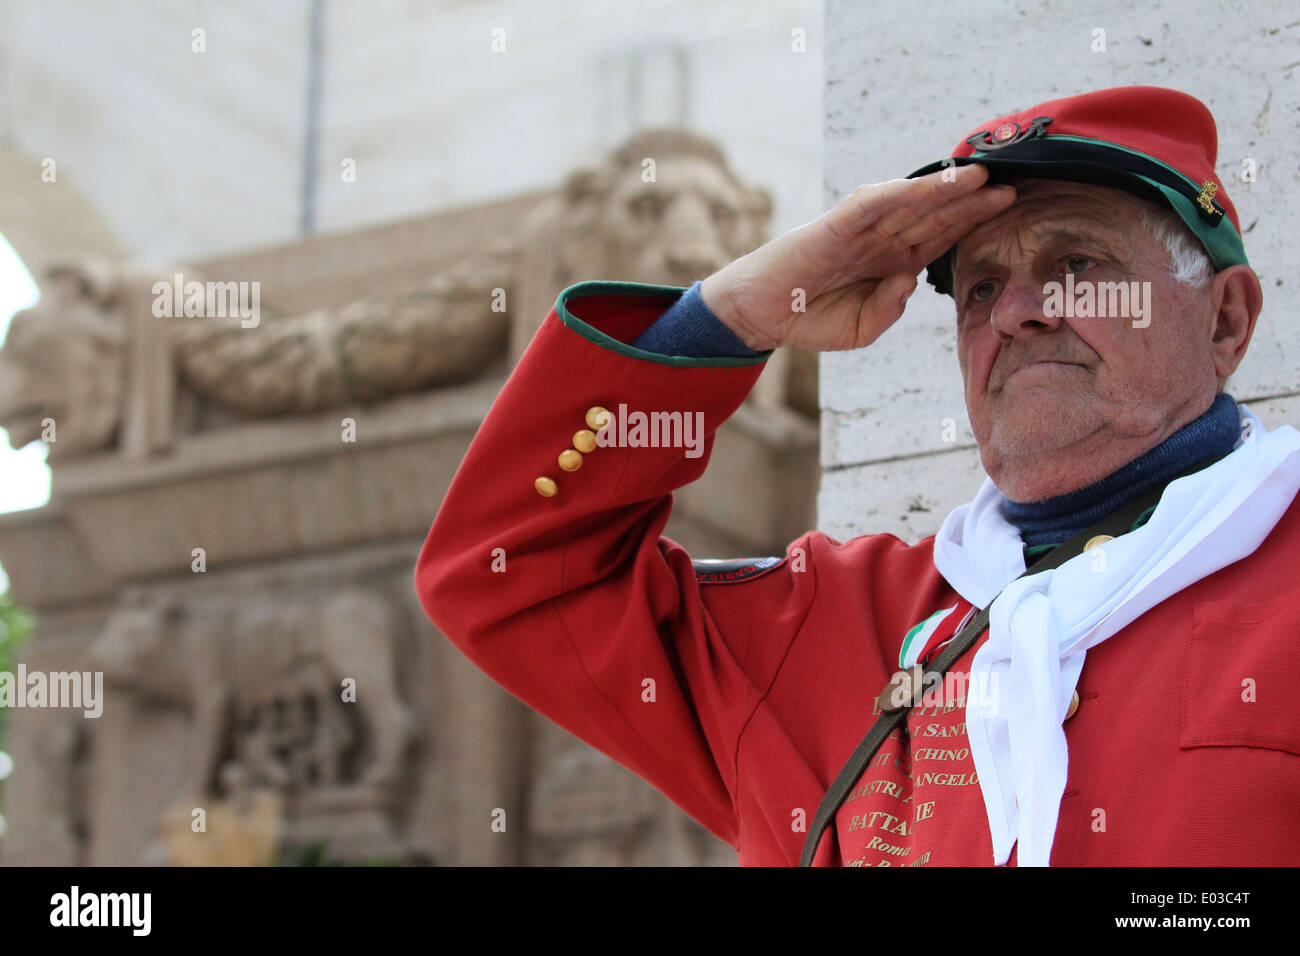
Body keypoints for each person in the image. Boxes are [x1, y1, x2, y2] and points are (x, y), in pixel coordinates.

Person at [415, 86, 1300, 866]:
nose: (1022, 312)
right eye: (983, 288)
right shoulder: (827, 633)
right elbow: (509, 567)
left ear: (1223, 320)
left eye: (1078, 265)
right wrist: (727, 317)